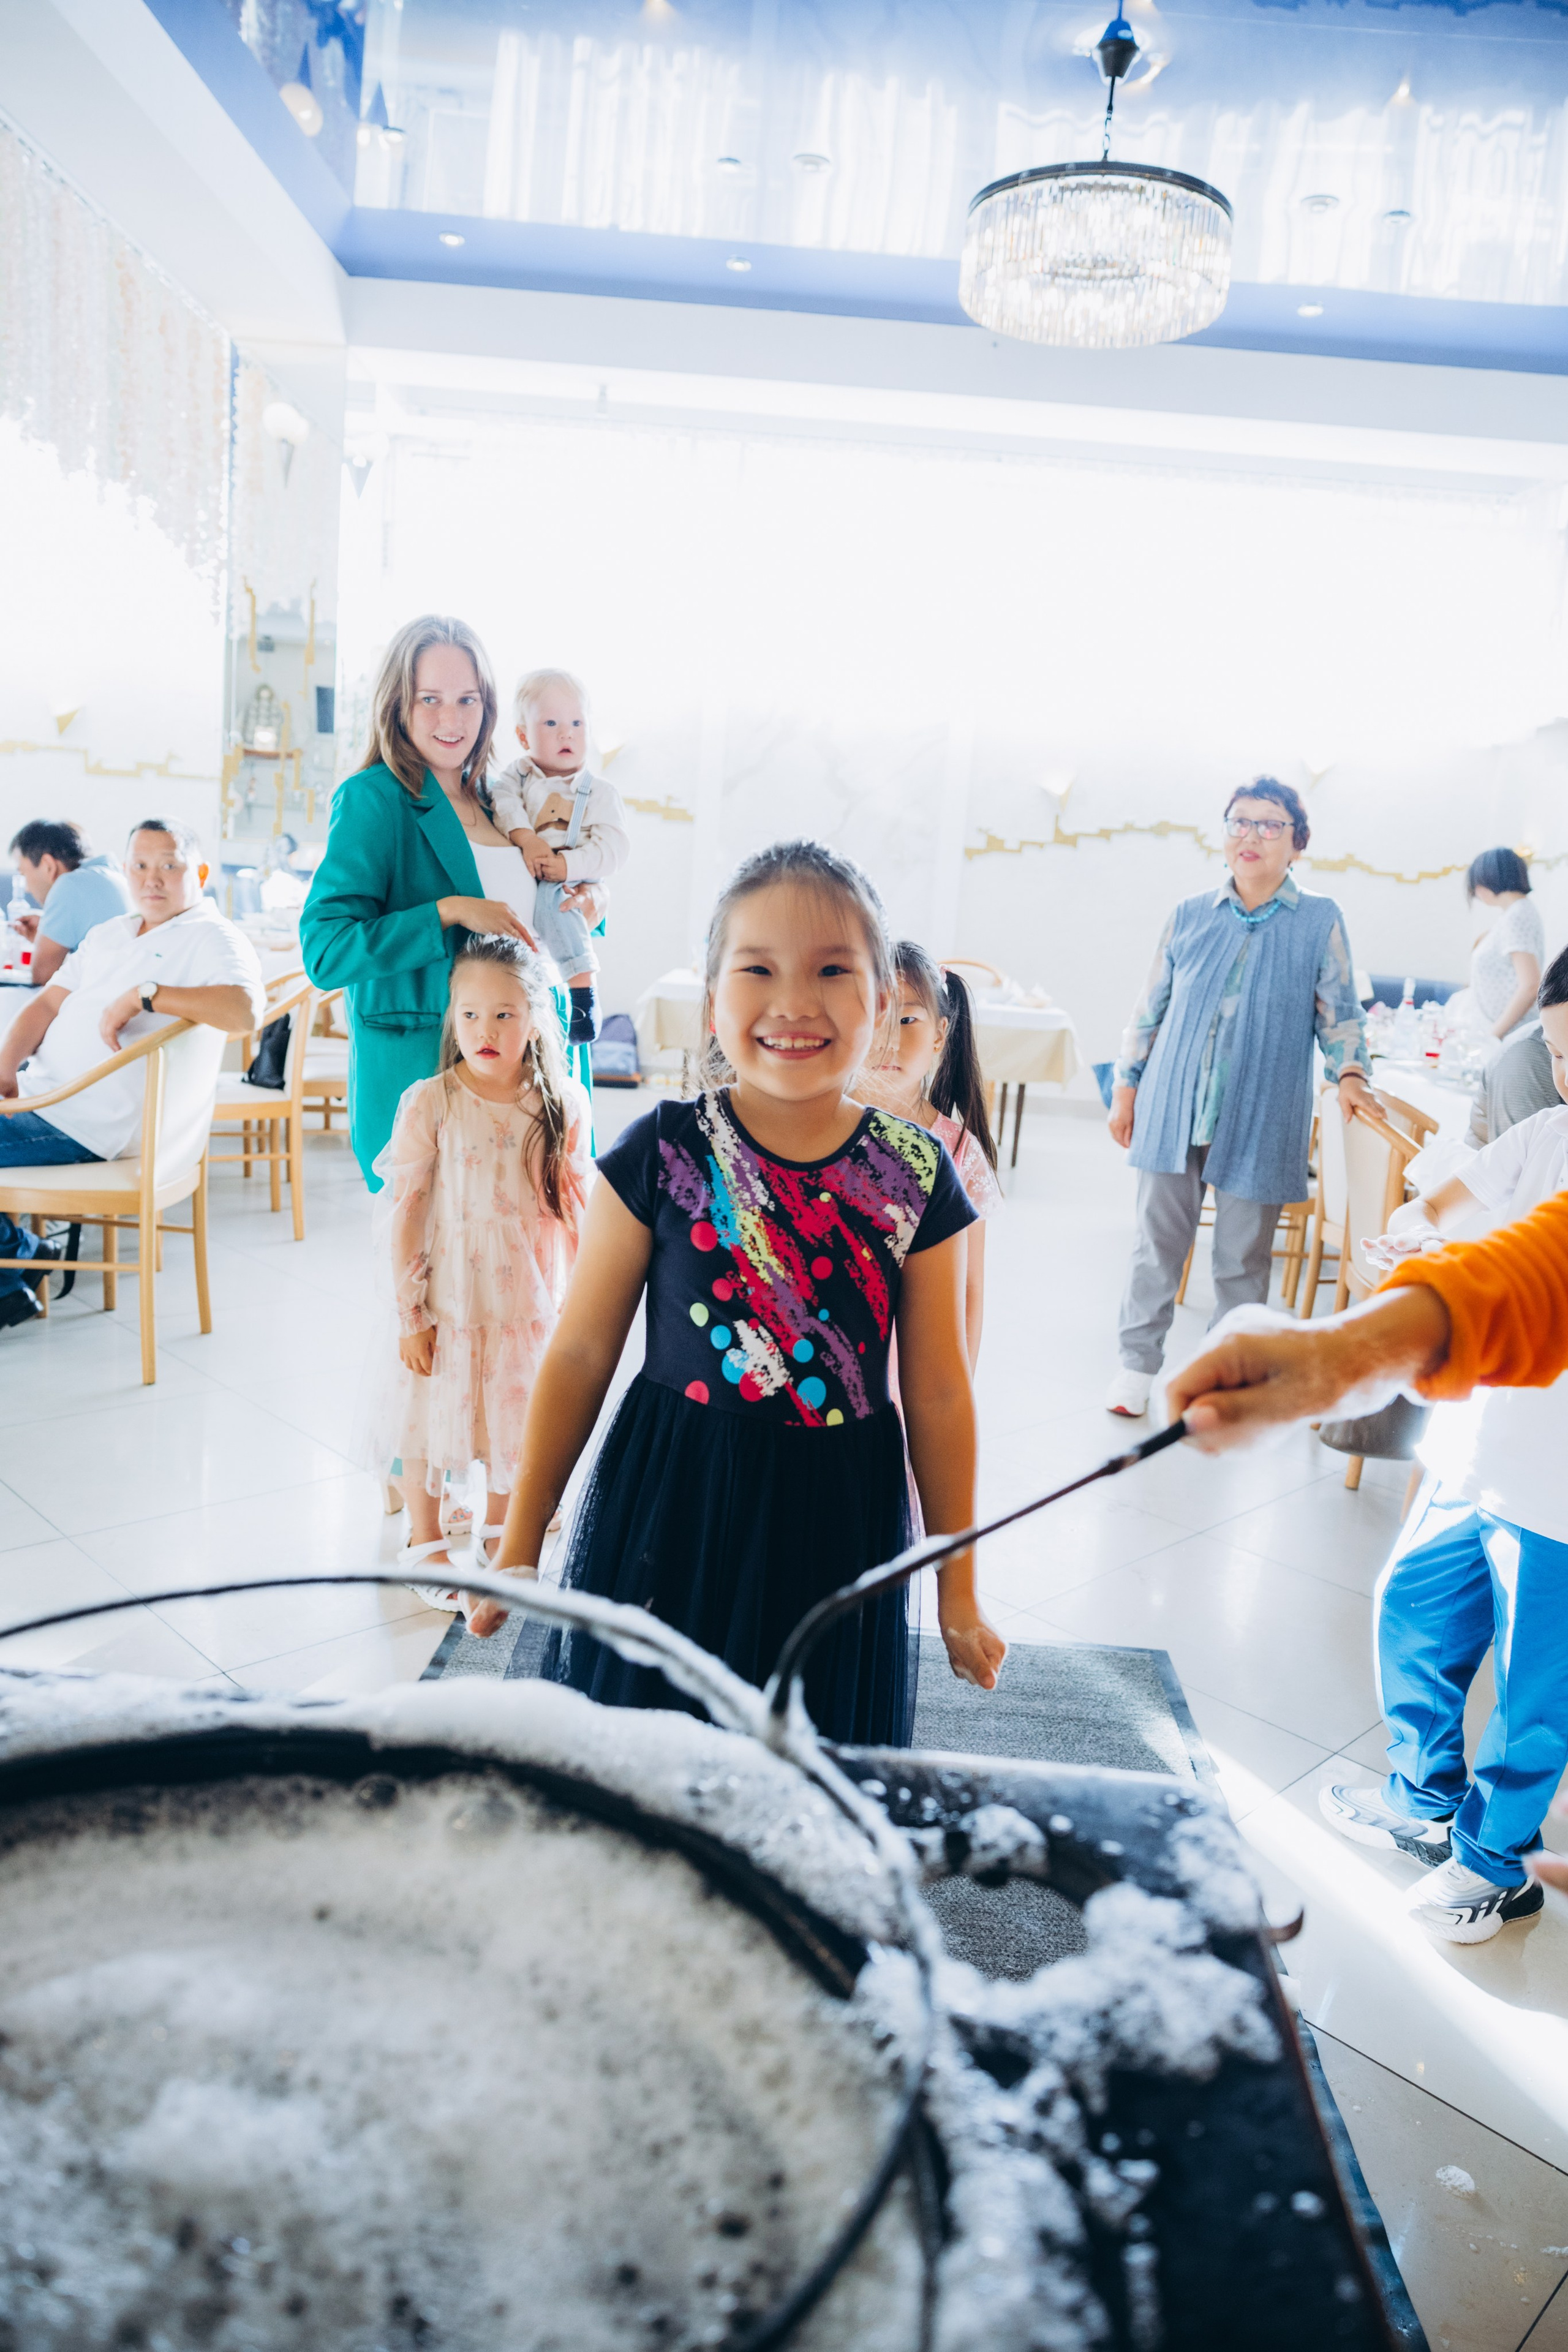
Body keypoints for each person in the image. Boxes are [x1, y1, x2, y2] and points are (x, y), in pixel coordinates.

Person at [483, 837, 1007, 1744]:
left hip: (837, 1511)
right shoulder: (663, 1149)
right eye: (758, 968)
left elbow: (938, 1389)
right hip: (675, 1491)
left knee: (803, 1754)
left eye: (834, 969)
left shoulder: (918, 1174)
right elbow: (579, 1351)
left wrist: (956, 1584)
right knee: (649, 1741)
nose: (795, 1002)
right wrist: (519, 1540)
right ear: (713, 999)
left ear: (881, 1002)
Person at [1312, 946, 1568, 1942]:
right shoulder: (1544, 1136)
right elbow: (1443, 1205)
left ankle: (1497, 1867)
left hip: (1558, 1495)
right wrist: (1411, 1234)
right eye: (1557, 1049)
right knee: (1411, 1611)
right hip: (1478, 1449)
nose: (1567, 1071)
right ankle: (1423, 1803)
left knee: (1535, 1688)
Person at [300, 616, 603, 1189]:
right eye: (430, 699)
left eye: (468, 699)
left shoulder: (504, 801)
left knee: (534, 1271)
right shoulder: (375, 801)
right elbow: (326, 950)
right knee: (444, 1272)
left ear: (489, 707)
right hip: (434, 1078)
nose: (451, 719)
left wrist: (590, 904)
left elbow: (537, 903)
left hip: (536, 1078)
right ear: (397, 705)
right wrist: (449, 912)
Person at [1104, 777, 1376, 1417]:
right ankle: (1135, 1369)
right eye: (1238, 822)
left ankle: (1222, 1374)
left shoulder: (1319, 920)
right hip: (1173, 1106)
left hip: (1261, 1114)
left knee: (1241, 1260)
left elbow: (1340, 1014)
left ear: (1296, 844)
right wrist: (1127, 1088)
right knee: (1155, 1246)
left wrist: (1351, 1076)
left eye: (1268, 825)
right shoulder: (1190, 913)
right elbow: (1149, 1011)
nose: (1249, 835)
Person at [373, 933, 590, 1621]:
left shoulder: (560, 1102)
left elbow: (580, 1211)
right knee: (427, 1419)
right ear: (451, 1017)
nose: (484, 1031)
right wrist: (412, 1313)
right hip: (448, 1298)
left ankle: (503, 1535)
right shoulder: (431, 1101)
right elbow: (404, 1214)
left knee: (514, 1422)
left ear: (534, 1019)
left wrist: (580, 1304)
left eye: (503, 1014)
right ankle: (425, 1537)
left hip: (523, 1300)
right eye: (469, 1015)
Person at [0, 820, 263, 1330]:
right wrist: (5, 1066)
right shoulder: (113, 931)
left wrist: (149, 994)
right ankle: (19, 1267)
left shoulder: (210, 936)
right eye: (140, 866)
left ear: (201, 873)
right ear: (125, 871)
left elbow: (246, 1011)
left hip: (86, 1122)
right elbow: (45, 1004)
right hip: (40, 1097)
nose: (153, 880)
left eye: (169, 865)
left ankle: (22, 1262)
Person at [860, 940, 1001, 1366]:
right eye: (873, 1017)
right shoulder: (816, 1128)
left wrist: (963, 1381)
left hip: (914, 1361)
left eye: (907, 1019)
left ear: (939, 1034)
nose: (888, 1037)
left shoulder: (958, 1151)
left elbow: (970, 1288)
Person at [489, 668, 628, 1050]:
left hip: (567, 877)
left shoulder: (599, 793)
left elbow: (613, 849)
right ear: (522, 736)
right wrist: (527, 838)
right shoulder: (515, 778)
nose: (566, 732)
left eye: (576, 722)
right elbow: (503, 805)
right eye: (550, 722)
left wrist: (572, 866)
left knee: (560, 900)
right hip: (526, 878)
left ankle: (583, 992)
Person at [1464, 846, 1555, 1140]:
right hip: (1504, 1037)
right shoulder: (1514, 915)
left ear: (1486, 882)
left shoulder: (1518, 914)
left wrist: (1494, 1034)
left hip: (1509, 1038)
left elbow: (1530, 984)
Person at [8, 820, 131, 990]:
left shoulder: (68, 885)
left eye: (24, 873)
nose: (27, 888)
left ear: (48, 865)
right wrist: (53, 934)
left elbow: (42, 979)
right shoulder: (112, 874)